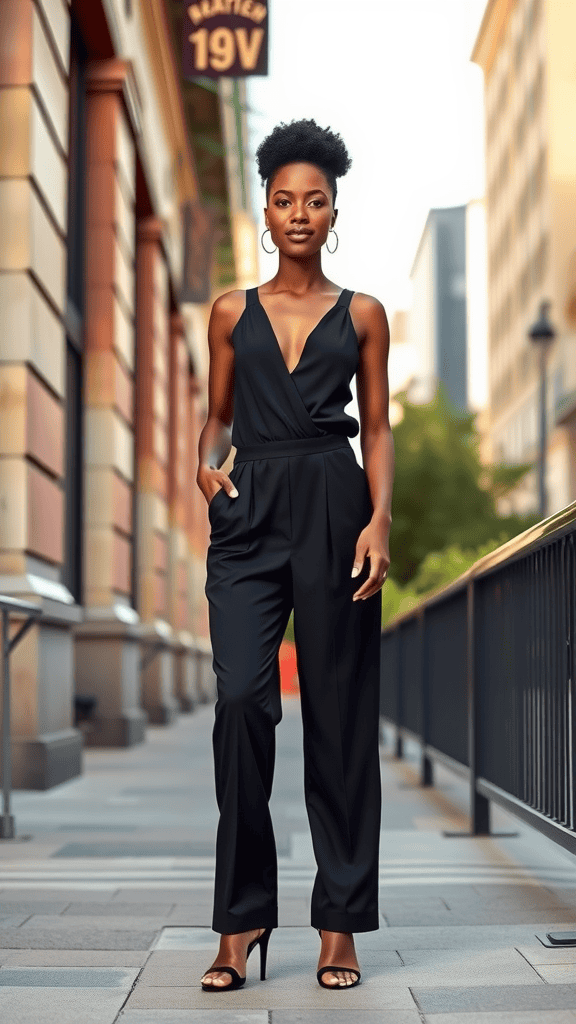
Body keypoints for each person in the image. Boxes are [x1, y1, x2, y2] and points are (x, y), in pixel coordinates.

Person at [196, 117, 394, 991]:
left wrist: (381, 519)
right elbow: (216, 419)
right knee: (241, 700)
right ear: (266, 211)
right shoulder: (230, 311)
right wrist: (204, 468)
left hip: (333, 504)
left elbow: (380, 426)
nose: (300, 213)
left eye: (315, 199)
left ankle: (340, 922)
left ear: (333, 209)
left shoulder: (364, 314)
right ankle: (241, 920)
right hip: (247, 516)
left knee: (341, 715)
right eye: (285, 200)